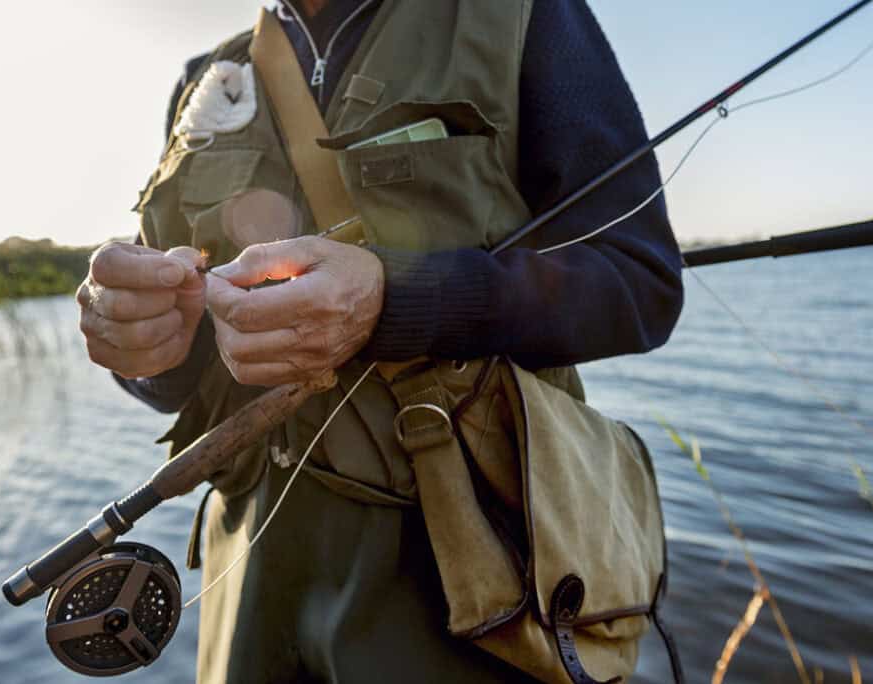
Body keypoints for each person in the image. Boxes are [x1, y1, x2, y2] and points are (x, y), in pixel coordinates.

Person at [76, 1, 683, 682]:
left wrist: (394, 300)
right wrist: (141, 348)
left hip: (474, 580)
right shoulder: (205, 79)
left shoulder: (522, 14)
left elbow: (640, 282)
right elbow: (173, 373)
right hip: (246, 578)